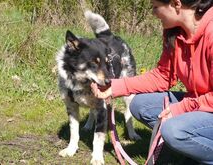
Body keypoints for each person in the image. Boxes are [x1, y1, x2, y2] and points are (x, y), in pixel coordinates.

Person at [91, 0, 213, 164]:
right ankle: (190, 151)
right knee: (140, 105)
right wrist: (115, 86)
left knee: (173, 129)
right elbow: (163, 76)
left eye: (156, 7)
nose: (153, 13)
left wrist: (181, 108)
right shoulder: (175, 33)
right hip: (201, 104)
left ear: (176, 4)